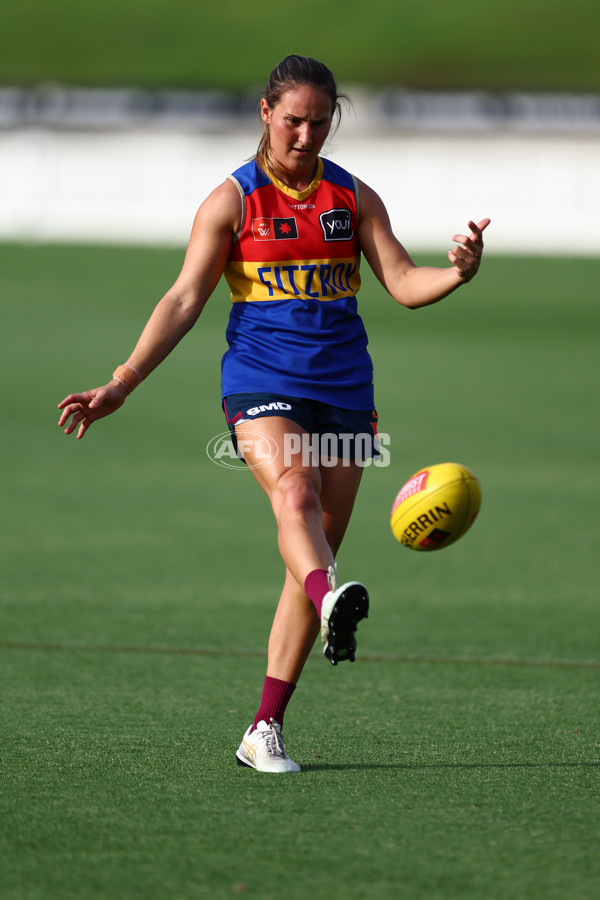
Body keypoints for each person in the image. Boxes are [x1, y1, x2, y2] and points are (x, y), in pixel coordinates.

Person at [58, 55, 490, 774]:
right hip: (262, 381)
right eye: (293, 119)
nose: (305, 134)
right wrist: (123, 381)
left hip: (347, 392)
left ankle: (264, 727)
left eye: (320, 123)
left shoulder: (352, 197)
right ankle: (330, 600)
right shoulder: (231, 201)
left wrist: (460, 272)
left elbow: (407, 283)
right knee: (294, 496)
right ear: (266, 113)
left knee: (311, 550)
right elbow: (183, 300)